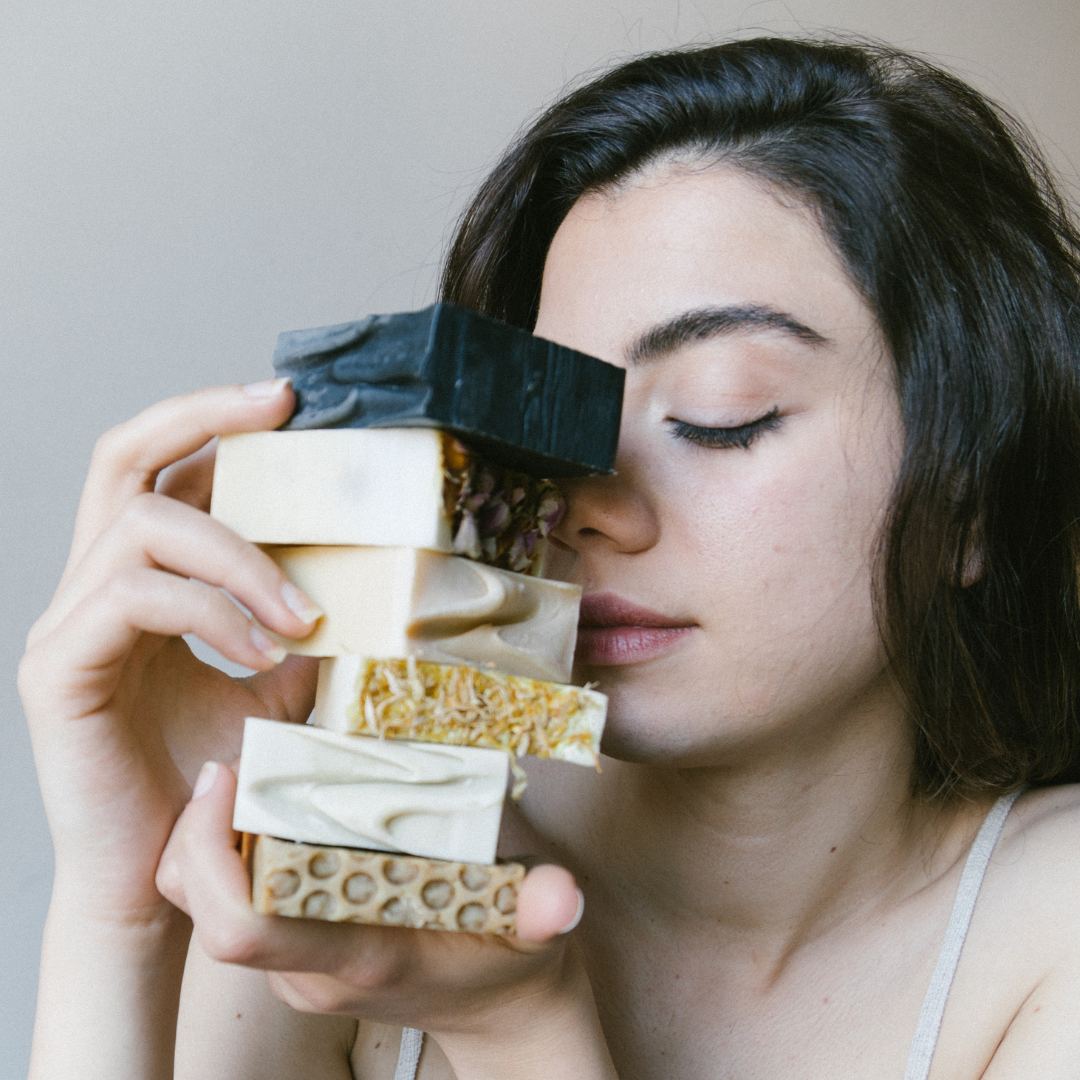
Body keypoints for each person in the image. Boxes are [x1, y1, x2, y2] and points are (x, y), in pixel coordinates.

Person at [19, 36, 1080, 1080]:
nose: (587, 510)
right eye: (551, 424)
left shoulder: (1050, 931)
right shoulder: (372, 845)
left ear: (973, 499)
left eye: (720, 416)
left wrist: (517, 1029)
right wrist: (123, 905)